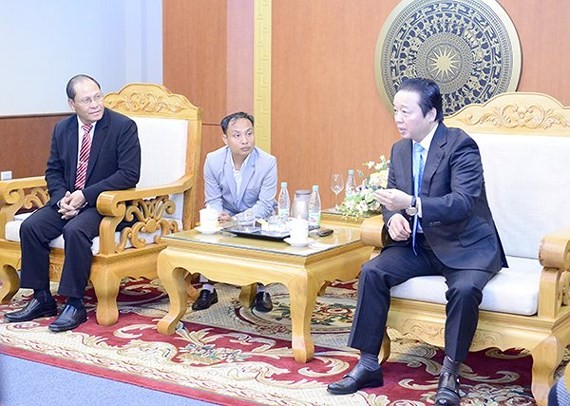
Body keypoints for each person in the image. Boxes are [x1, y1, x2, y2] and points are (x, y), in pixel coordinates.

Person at [327, 78, 507, 405]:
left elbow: (464, 202)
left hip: (465, 246)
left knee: (465, 290)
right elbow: (390, 199)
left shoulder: (460, 145)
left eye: (406, 112)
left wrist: (410, 204)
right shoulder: (399, 149)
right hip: (419, 246)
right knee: (372, 271)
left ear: (431, 114)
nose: (398, 118)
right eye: (395, 111)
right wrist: (392, 218)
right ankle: (368, 363)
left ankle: (450, 373)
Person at [4, 74, 141, 332]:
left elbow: (129, 174)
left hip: (107, 204)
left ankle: (74, 304)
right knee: (31, 227)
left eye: (98, 96)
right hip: (68, 200)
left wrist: (85, 196)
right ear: (72, 104)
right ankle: (42, 298)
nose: (95, 104)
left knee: (74, 230)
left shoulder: (123, 126)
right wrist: (62, 200)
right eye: (87, 100)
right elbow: (53, 171)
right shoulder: (62, 128)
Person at [192, 111, 277, 313]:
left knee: (263, 232)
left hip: (257, 217)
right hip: (226, 214)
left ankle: (262, 291)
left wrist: (237, 219)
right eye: (237, 135)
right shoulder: (213, 160)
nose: (245, 140)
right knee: (208, 229)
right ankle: (208, 288)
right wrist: (220, 216)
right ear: (225, 138)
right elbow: (213, 199)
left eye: (249, 134)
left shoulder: (267, 162)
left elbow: (265, 205)